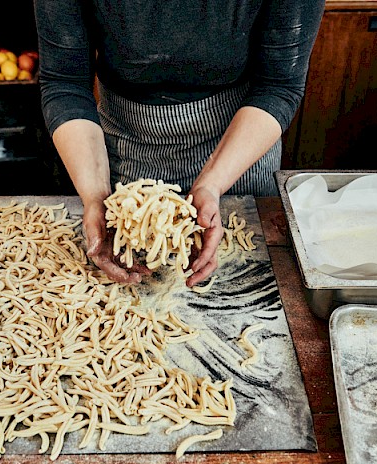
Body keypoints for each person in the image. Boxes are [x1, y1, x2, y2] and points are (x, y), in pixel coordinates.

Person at [34, 0, 325, 287]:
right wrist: (95, 194)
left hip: (240, 151)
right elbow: (66, 82)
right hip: (122, 154)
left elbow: (278, 85)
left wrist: (212, 184)